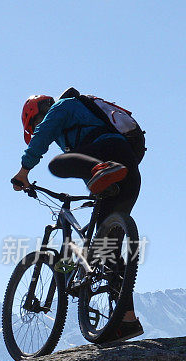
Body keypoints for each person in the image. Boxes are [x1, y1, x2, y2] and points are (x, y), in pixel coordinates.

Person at [11, 90, 143, 343]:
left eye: (37, 122)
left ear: (39, 112)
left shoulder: (62, 106)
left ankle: (103, 169)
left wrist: (23, 172)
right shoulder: (80, 132)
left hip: (110, 153)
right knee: (107, 251)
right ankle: (127, 322)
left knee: (56, 164)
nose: (41, 127)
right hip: (129, 173)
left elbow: (41, 138)